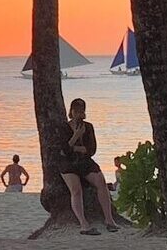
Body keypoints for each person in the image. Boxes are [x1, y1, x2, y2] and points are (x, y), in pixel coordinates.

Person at [60, 98, 119, 236]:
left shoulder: (89, 127)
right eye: (76, 111)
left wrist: (76, 148)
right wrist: (75, 136)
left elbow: (92, 149)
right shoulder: (64, 128)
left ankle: (109, 220)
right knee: (76, 190)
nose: (79, 114)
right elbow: (63, 151)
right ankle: (83, 224)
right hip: (67, 163)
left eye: (82, 112)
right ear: (71, 112)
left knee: (101, 183)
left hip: (85, 161)